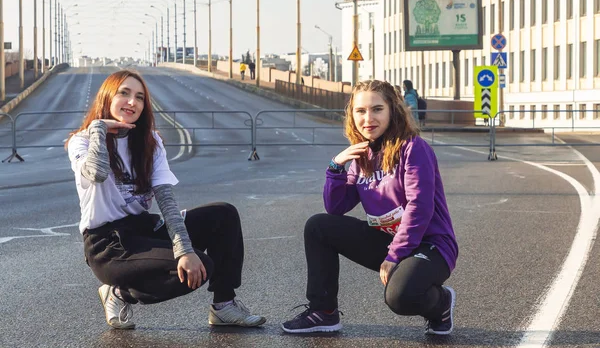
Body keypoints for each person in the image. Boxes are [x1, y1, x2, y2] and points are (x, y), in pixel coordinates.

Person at [67, 69, 266, 330]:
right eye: (124, 94)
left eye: (139, 97)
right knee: (199, 266)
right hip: (108, 245)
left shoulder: (151, 142)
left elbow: (165, 198)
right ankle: (118, 294)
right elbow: (96, 172)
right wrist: (99, 129)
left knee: (224, 214)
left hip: (145, 229)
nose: (132, 102)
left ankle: (224, 306)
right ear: (107, 98)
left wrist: (183, 248)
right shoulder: (81, 142)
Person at [281, 80, 458, 335]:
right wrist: (336, 167)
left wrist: (394, 256)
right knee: (319, 226)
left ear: (392, 110)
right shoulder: (362, 155)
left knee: (399, 297)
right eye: (360, 111)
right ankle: (324, 311)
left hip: (430, 245)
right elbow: (336, 207)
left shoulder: (413, 148)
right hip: (389, 239)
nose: (368, 118)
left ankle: (441, 303)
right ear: (352, 115)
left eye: (377, 109)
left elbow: (419, 208)